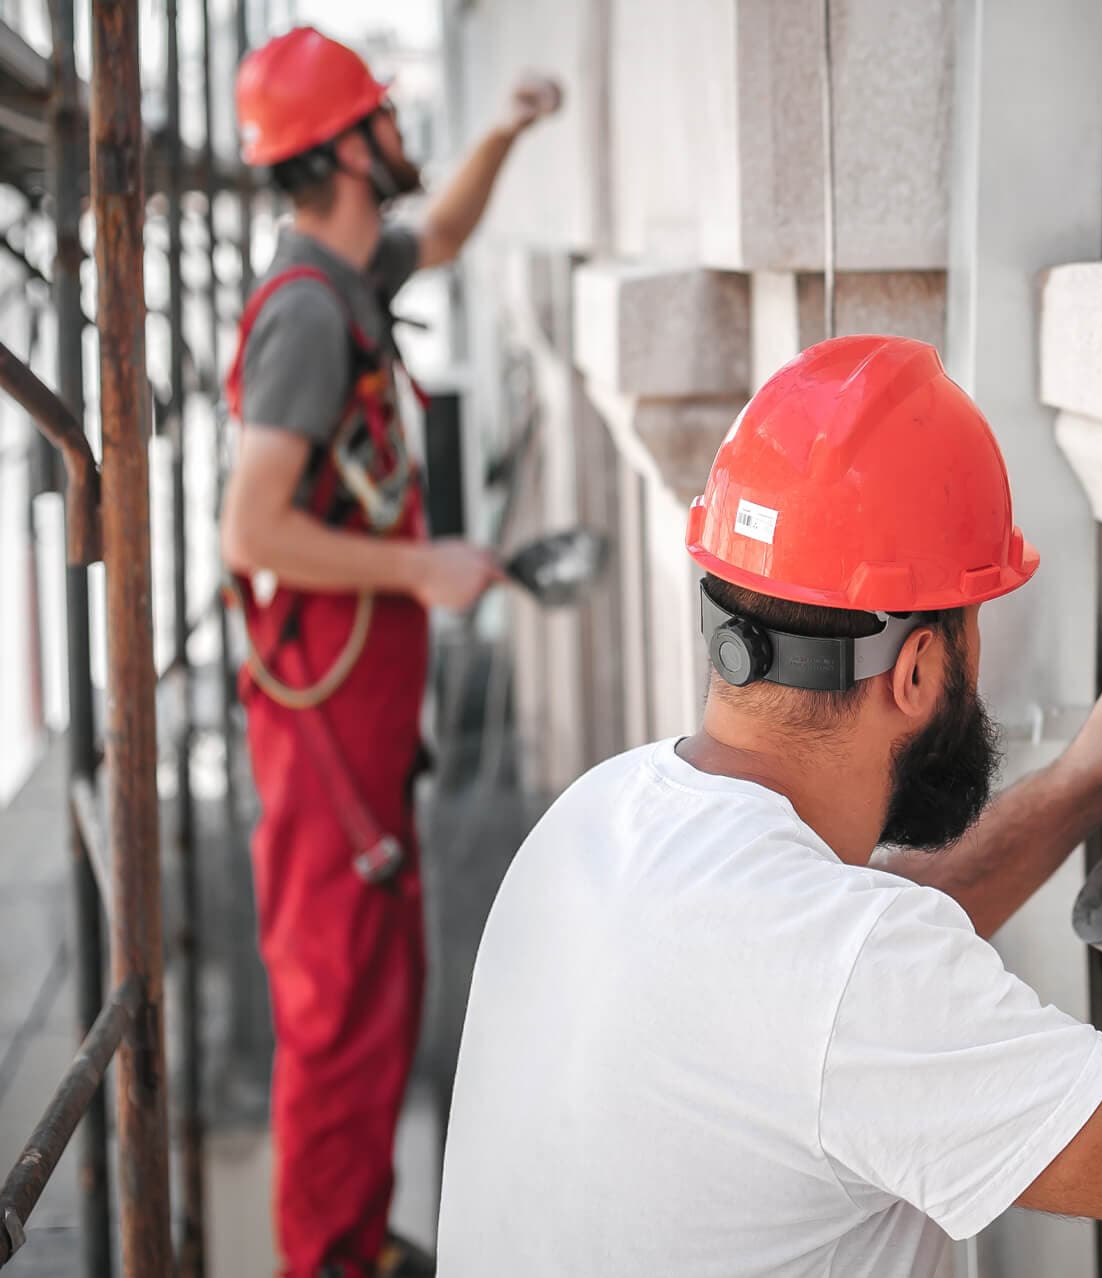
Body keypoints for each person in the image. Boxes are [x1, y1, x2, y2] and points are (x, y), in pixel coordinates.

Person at [435, 335, 1102, 1276]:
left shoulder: (600, 815)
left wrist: (1082, 785)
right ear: (917, 670)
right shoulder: (848, 983)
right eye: (973, 626)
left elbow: (822, 1002)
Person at [218, 26, 561, 1278]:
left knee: (375, 989)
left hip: (356, 714)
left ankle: (356, 1243)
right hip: (322, 729)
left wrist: (507, 132)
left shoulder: (348, 276)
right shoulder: (308, 317)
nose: (403, 134)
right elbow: (251, 525)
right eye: (385, 117)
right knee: (336, 1013)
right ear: (352, 150)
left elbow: (451, 232)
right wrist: (424, 567)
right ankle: (327, 1264)